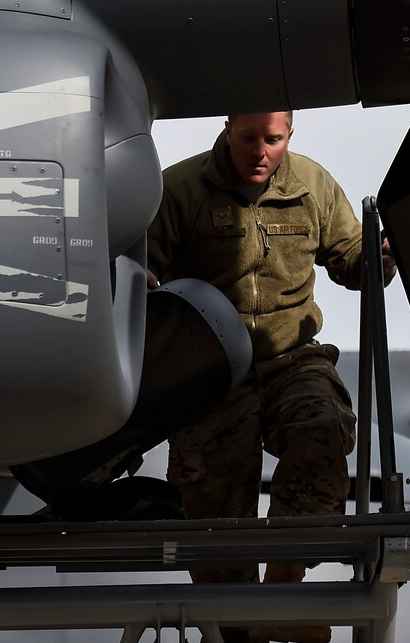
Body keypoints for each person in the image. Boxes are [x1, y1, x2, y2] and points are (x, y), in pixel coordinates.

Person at [147, 110, 394, 643]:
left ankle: (285, 590)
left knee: (323, 429)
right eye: (249, 138)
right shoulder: (181, 189)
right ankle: (240, 623)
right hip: (210, 367)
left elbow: (351, 259)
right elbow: (142, 261)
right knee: (209, 492)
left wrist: (380, 257)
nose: (261, 151)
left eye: (274, 139)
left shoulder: (313, 186)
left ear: (289, 134)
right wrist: (142, 276)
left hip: (291, 358)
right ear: (229, 129)